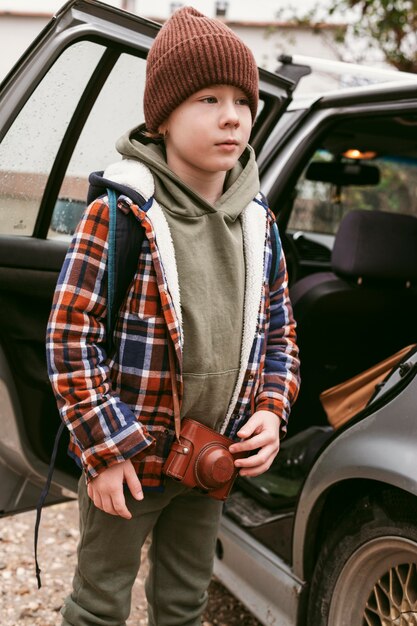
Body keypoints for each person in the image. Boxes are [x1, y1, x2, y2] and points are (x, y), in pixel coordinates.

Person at [46, 6, 300, 626]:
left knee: (184, 602)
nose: (232, 115)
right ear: (162, 117)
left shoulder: (257, 223)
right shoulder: (122, 212)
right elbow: (69, 336)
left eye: (243, 99)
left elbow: (280, 333)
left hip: (212, 459)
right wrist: (105, 452)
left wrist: (271, 409)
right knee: (100, 600)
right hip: (132, 461)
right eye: (208, 98)